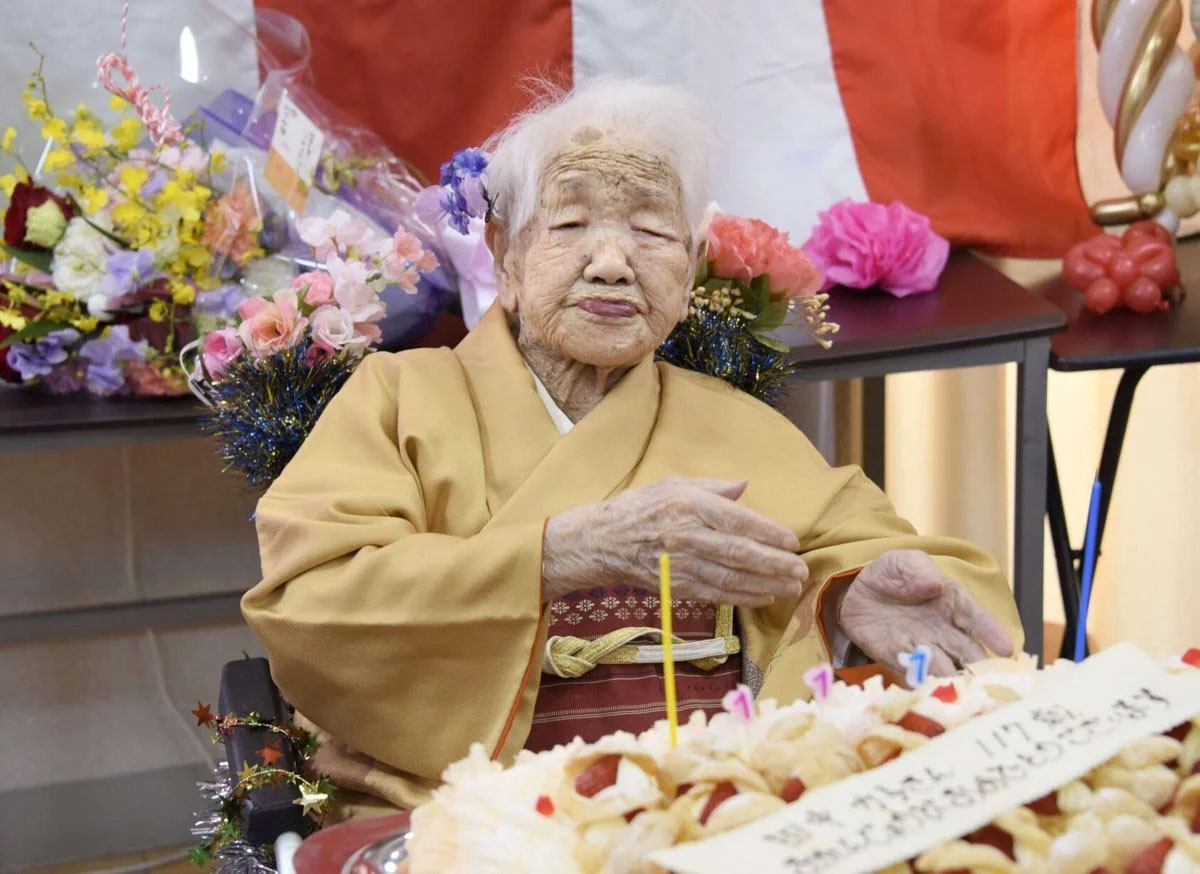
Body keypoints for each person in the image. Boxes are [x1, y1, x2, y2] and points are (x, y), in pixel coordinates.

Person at [242, 79, 1020, 816]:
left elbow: (888, 563)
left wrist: (849, 593)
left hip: (709, 814)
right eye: (571, 225)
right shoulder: (397, 399)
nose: (613, 261)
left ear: (689, 269)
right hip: (464, 818)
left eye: (652, 231)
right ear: (506, 254)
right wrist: (556, 554)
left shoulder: (735, 425)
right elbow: (311, 604)